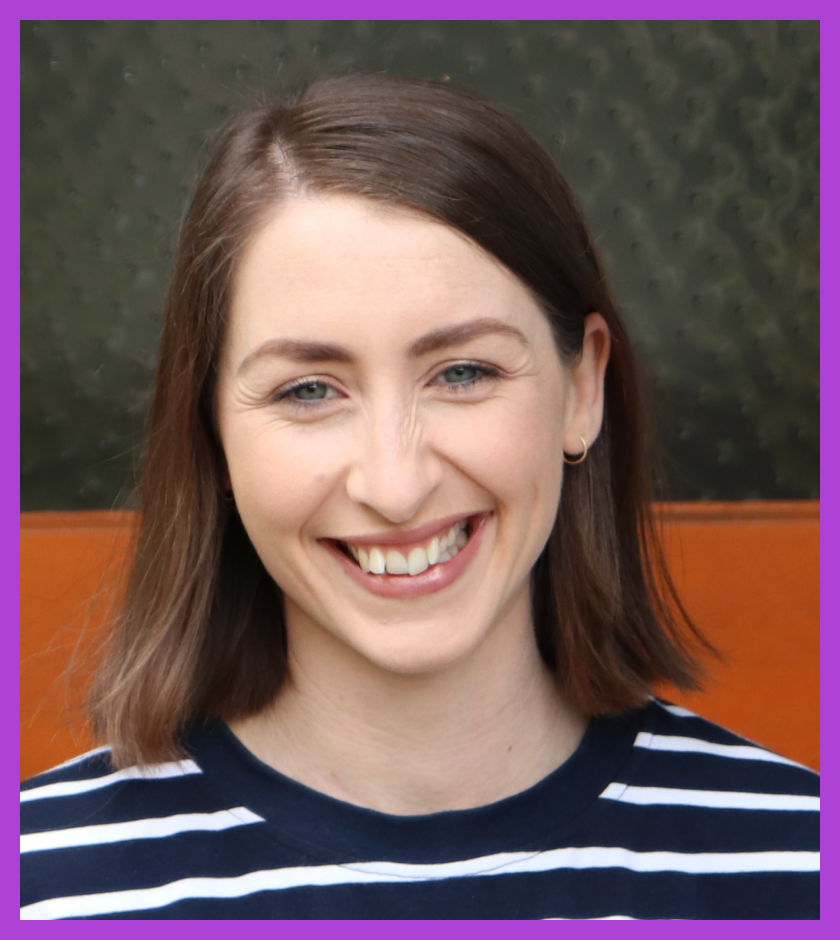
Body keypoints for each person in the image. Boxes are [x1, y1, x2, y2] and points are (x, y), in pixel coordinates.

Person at [21, 74, 818, 920]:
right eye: (308, 391)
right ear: (211, 431)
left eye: (464, 373)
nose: (396, 487)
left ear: (582, 385)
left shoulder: (803, 865)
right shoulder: (34, 887)